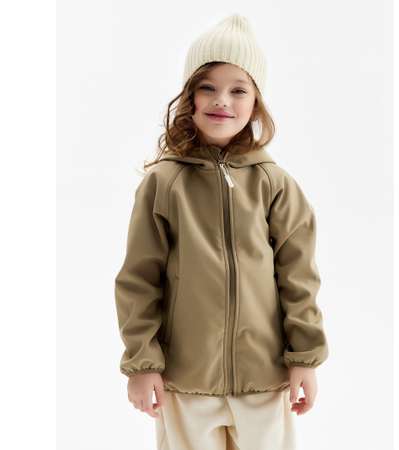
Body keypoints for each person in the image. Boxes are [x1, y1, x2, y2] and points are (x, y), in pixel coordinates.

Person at [114, 13, 329, 450]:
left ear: (256, 103)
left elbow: (299, 277)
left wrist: (304, 358)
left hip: (264, 379)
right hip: (185, 380)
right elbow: (139, 279)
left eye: (238, 90)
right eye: (207, 87)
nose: (221, 101)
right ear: (189, 97)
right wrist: (143, 364)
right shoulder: (164, 183)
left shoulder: (275, 183)